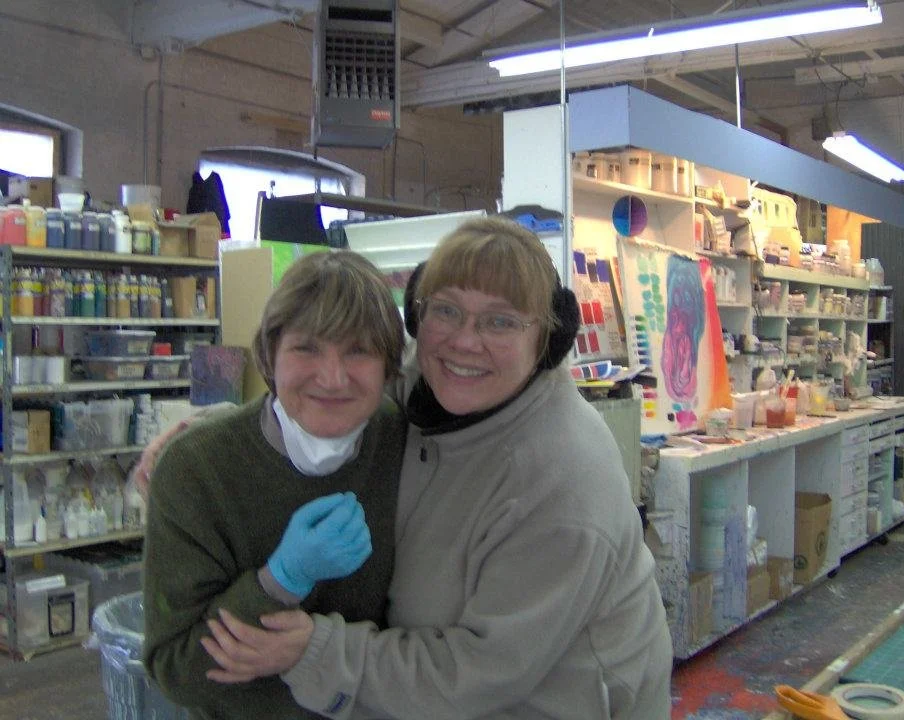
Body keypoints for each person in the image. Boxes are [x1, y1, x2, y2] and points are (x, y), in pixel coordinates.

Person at [198, 216, 674, 719]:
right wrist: (211, 436)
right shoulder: (427, 379)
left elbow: (479, 673)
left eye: (501, 321)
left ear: (548, 342)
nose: (465, 342)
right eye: (446, 310)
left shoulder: (563, 481)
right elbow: (331, 391)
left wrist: (318, 652)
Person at [142, 250, 408, 720]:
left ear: (389, 368)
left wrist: (316, 650)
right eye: (307, 348)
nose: (332, 377)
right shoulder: (197, 470)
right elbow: (178, 671)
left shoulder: (403, 441)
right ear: (270, 355)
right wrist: (279, 582)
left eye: (359, 350)